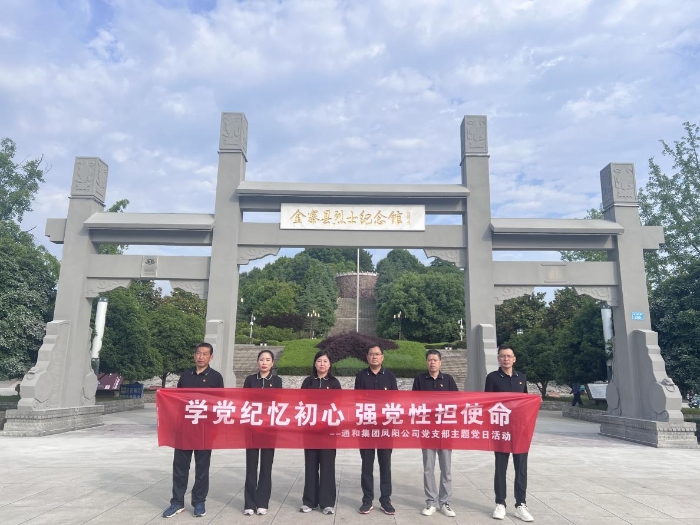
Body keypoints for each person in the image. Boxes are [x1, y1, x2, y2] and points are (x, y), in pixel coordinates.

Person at [162, 342, 224, 518]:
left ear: (211, 357)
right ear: (194, 355)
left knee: (202, 468)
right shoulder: (185, 376)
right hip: (184, 429)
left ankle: (199, 502)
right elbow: (178, 401)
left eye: (205, 354)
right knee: (180, 467)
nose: (200, 357)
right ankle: (177, 502)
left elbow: (219, 403)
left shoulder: (216, 378)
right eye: (198, 353)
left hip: (205, 430)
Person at [484, 344, 534, 522]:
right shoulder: (492, 378)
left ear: (514, 359)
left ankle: (521, 504)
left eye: (509, 356)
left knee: (521, 468)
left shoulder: (522, 378)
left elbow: (526, 401)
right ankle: (500, 503)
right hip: (501, 429)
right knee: (501, 467)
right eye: (502, 356)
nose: (506, 359)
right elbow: (487, 403)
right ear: (498, 359)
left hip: (520, 429)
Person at [412, 349, 459, 518]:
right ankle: (431, 502)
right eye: (429, 360)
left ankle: (445, 502)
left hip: (445, 430)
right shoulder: (419, 380)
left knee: (446, 468)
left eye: (435, 360)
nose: (432, 362)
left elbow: (457, 402)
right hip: (427, 430)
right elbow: (413, 403)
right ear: (426, 362)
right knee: (428, 468)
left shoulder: (448, 380)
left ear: (440, 362)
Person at [354, 344, 398, 515]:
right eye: (371, 354)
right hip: (366, 427)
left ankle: (385, 500)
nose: (374, 357)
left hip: (385, 428)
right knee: (366, 465)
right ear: (367, 357)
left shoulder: (390, 376)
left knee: (385, 465)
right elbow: (357, 400)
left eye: (377, 354)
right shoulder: (360, 376)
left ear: (382, 357)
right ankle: (367, 500)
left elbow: (395, 400)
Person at [299, 350, 342, 515]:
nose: (322, 364)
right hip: (310, 431)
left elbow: (339, 405)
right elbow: (300, 403)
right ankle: (309, 501)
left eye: (325, 361)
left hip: (328, 432)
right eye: (319, 361)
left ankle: (327, 503)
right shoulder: (308, 382)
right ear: (315, 363)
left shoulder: (334, 383)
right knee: (311, 466)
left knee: (327, 467)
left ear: (330, 364)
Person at [242, 349, 283, 516]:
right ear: (257, 362)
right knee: (251, 466)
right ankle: (249, 503)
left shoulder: (277, 380)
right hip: (252, 428)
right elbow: (244, 402)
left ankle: (262, 502)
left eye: (267, 360)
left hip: (269, 429)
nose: (264, 362)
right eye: (261, 359)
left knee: (266, 466)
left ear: (272, 363)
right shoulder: (250, 380)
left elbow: (278, 402)